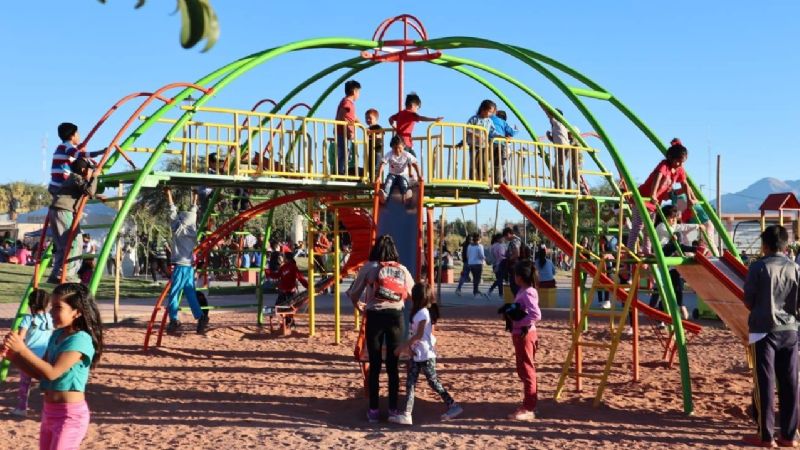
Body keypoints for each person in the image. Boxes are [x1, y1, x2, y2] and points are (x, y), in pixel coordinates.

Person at [3, 283, 103, 449]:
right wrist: (13, 356)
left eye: (58, 307)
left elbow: (52, 373)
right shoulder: (56, 335)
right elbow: (41, 373)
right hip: (49, 411)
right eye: (51, 307)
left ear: (77, 312)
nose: (51, 312)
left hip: (70, 416)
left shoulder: (80, 339)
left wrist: (22, 348)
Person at [346, 235, 414, 423]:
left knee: (374, 365)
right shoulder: (402, 270)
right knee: (393, 366)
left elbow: (354, 293)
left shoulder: (370, 267)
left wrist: (360, 307)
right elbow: (412, 293)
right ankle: (393, 409)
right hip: (396, 318)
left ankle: (374, 411)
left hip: (374, 316)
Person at [742, 225, 800, 447]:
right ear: (785, 246)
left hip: (763, 330)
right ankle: (789, 435)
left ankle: (766, 436)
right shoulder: (795, 267)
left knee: (764, 384)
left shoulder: (758, 267)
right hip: (790, 330)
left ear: (764, 245)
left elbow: (748, 300)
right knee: (789, 383)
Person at [390, 282, 463, 425]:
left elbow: (419, 335)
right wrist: (410, 350)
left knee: (433, 382)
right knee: (410, 383)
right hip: (417, 354)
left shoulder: (423, 313)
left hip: (426, 355)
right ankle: (407, 414)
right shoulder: (418, 312)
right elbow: (416, 334)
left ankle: (453, 406)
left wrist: (403, 347)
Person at [626, 139, 697, 256]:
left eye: (682, 162)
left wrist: (689, 199)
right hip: (643, 199)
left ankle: (646, 251)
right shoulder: (664, 165)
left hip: (654, 203)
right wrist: (653, 193)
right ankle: (630, 250)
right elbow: (657, 177)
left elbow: (685, 184)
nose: (679, 164)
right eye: (678, 161)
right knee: (638, 226)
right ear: (671, 158)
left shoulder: (679, 170)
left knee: (649, 229)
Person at [47, 157, 99, 284]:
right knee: (75, 242)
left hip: (56, 211)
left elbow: (83, 193)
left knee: (62, 246)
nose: (90, 172)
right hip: (64, 211)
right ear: (83, 169)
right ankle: (67, 273)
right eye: (89, 170)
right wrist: (95, 176)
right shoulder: (76, 177)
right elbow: (89, 190)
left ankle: (57, 273)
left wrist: (96, 195)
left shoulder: (73, 179)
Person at [164, 187, 208, 335]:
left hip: (181, 266)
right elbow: (193, 212)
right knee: (190, 293)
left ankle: (174, 319)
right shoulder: (192, 230)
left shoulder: (178, 230)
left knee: (174, 294)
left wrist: (168, 193)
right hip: (189, 266)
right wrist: (195, 198)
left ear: (181, 221)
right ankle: (201, 317)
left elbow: (172, 212)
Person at [503, 260, 541, 421]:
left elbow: (535, 315)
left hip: (525, 335)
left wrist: (518, 322)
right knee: (522, 369)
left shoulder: (528, 292)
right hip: (520, 335)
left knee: (527, 370)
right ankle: (528, 404)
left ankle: (529, 407)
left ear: (519, 277)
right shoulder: (523, 291)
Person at [648, 205, 699, 320]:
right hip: (660, 251)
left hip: (668, 254)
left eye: (675, 219)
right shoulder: (661, 226)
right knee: (675, 245)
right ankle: (695, 249)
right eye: (671, 218)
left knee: (674, 287)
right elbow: (668, 233)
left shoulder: (672, 225)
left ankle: (676, 307)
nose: (673, 221)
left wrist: (697, 226)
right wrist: (673, 236)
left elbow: (682, 227)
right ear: (665, 218)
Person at [10, 288, 53, 417]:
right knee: (47, 384)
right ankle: (48, 409)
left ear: (30, 304)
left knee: (25, 383)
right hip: (45, 357)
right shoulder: (50, 318)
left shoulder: (28, 319)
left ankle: (22, 408)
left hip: (28, 357)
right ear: (47, 304)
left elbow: (20, 337)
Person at [48, 123, 105, 198]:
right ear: (72, 136)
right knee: (80, 185)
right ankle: (93, 194)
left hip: (54, 184)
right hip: (62, 185)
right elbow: (78, 154)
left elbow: (74, 153)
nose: (79, 136)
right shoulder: (67, 146)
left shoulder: (61, 147)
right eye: (78, 133)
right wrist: (99, 152)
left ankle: (93, 195)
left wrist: (79, 148)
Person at [388, 92, 443, 156]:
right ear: (412, 105)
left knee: (410, 160)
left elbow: (390, 119)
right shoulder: (411, 114)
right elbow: (421, 118)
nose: (417, 110)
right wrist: (434, 119)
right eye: (417, 108)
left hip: (399, 141)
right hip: (405, 142)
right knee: (412, 160)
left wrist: (394, 127)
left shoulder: (400, 113)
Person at [380, 135, 420, 206]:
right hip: (392, 174)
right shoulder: (390, 154)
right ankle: (385, 197)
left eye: (399, 148)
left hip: (402, 175)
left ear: (404, 146)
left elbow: (415, 164)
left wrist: (419, 175)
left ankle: (406, 196)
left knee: (403, 183)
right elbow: (382, 164)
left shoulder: (406, 154)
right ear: (391, 147)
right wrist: (379, 176)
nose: (397, 150)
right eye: (395, 148)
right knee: (389, 182)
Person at [539, 104, 572, 189]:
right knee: (558, 166)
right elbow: (556, 140)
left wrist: (542, 105)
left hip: (563, 147)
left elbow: (548, 114)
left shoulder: (557, 123)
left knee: (559, 166)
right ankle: (559, 184)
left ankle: (560, 185)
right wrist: (549, 136)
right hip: (562, 146)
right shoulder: (557, 127)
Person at [275, 252, 309, 328]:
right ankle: (288, 322)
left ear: (286, 259)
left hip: (290, 291)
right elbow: (278, 275)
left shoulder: (292, 267)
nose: (282, 259)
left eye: (283, 257)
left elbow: (300, 278)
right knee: (279, 307)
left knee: (288, 308)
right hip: (283, 291)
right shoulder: (284, 267)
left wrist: (308, 286)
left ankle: (290, 322)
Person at [466, 100, 497, 181]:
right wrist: (477, 135)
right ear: (483, 109)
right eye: (488, 111)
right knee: (473, 163)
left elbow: (492, 132)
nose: (489, 114)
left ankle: (483, 179)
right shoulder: (475, 119)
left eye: (491, 112)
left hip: (484, 146)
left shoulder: (489, 121)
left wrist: (501, 136)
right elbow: (467, 128)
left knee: (483, 163)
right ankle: (472, 179)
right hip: (474, 145)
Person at [335, 80, 361, 175]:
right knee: (344, 153)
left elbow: (353, 117)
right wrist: (350, 130)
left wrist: (361, 125)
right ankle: (340, 172)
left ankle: (341, 170)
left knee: (347, 153)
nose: (359, 95)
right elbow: (342, 115)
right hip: (344, 132)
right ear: (354, 92)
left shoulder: (347, 102)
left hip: (344, 132)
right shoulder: (347, 103)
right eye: (358, 92)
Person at [457, 233, 488, 298]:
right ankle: (475, 291)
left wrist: (470, 260)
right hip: (478, 263)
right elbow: (481, 255)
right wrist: (485, 258)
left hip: (470, 263)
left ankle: (475, 290)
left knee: (474, 277)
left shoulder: (469, 246)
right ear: (479, 239)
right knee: (477, 278)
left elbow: (468, 255)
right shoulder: (480, 246)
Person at [490, 110, 517, 184]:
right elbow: (512, 132)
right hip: (499, 144)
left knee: (487, 162)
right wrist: (516, 129)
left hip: (489, 142)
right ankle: (499, 181)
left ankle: (487, 178)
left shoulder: (491, 119)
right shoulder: (503, 123)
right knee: (499, 163)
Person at [365, 108, 385, 181]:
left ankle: (376, 179)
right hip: (369, 150)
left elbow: (380, 134)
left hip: (377, 150)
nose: (368, 120)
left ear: (376, 119)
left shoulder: (377, 127)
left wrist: (372, 134)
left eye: (370, 118)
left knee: (376, 165)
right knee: (369, 165)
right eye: (366, 118)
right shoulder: (367, 129)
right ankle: (370, 178)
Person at [504, 227, 523, 295]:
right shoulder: (518, 239)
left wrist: (509, 258)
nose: (506, 239)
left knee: (514, 285)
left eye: (505, 237)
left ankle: (519, 301)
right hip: (517, 264)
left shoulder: (514, 241)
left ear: (509, 234)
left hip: (514, 265)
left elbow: (517, 254)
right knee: (516, 284)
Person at [487, 233, 507, 298]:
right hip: (501, 264)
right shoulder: (500, 246)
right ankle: (492, 290)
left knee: (499, 279)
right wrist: (507, 256)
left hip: (494, 264)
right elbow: (502, 256)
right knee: (500, 279)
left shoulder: (492, 246)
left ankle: (499, 293)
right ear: (498, 239)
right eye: (502, 238)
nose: (503, 239)